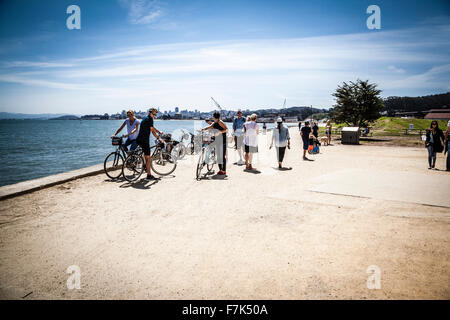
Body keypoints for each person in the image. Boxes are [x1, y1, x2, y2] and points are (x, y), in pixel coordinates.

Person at [136, 108, 164, 180]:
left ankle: (144, 166)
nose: (155, 116)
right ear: (150, 113)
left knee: (144, 154)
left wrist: (158, 131)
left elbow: (152, 127)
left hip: (139, 139)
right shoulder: (150, 119)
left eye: (155, 115)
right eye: (154, 114)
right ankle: (149, 175)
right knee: (148, 157)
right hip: (144, 140)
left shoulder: (145, 118)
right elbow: (152, 131)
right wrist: (158, 138)